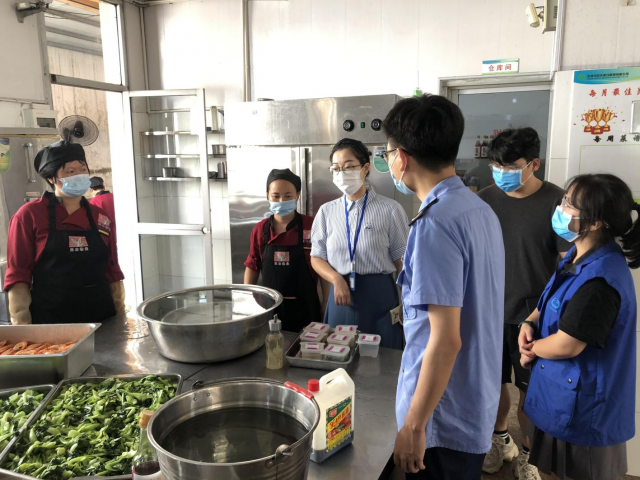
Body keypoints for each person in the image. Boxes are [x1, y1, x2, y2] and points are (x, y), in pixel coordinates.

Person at [385, 95, 505, 480]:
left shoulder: (435, 224)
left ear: (402, 157)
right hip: (473, 399)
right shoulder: (477, 209)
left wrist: (414, 426)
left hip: (442, 417)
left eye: (387, 153)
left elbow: (445, 339)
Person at [519, 174, 639, 480]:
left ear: (595, 222)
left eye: (569, 204)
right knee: (550, 470)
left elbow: (568, 344)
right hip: (560, 393)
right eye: (564, 199)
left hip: (583, 408)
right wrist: (529, 322)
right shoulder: (577, 255)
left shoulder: (601, 280)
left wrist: (531, 348)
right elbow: (552, 300)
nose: (561, 208)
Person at [478, 128, 571, 480]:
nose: (501, 172)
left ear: (534, 164)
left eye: (510, 166)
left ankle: (530, 455)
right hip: (489, 313)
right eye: (496, 165)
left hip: (535, 317)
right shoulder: (485, 200)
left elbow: (567, 265)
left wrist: (546, 313)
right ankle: (500, 440)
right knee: (492, 386)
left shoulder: (557, 202)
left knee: (529, 394)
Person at [4, 140, 125, 324]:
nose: (79, 175)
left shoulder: (100, 216)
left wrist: (120, 313)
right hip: (51, 323)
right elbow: (19, 273)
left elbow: (112, 268)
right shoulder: (29, 215)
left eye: (83, 169)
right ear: (51, 178)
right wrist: (22, 324)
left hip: (102, 318)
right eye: (70, 171)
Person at [310, 138, 409, 350]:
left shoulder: (390, 210)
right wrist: (336, 279)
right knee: (338, 357)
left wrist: (407, 301)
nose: (341, 173)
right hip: (340, 296)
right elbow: (317, 257)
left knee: (382, 359)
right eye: (336, 168)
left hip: (380, 297)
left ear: (365, 168)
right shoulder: (326, 212)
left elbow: (403, 262)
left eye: (348, 167)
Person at [244, 168, 320, 332]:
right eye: (276, 196)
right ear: (267, 195)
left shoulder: (312, 225)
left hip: (306, 308)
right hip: (269, 308)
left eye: (287, 196)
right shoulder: (260, 229)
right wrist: (247, 300)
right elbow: (253, 266)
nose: (281, 200)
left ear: (297, 195)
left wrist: (326, 302)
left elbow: (323, 265)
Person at [89, 176, 117, 242]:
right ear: (103, 187)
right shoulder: (114, 196)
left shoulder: (93, 201)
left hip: (105, 233)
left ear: (91, 190)